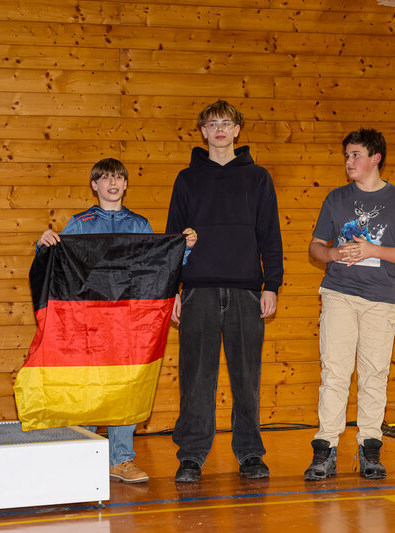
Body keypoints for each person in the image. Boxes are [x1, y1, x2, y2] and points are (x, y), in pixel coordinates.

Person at [37, 157, 197, 484]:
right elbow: (58, 265)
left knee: (126, 386)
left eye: (119, 178)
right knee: (87, 387)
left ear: (125, 184)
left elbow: (155, 267)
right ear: (94, 185)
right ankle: (83, 457)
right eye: (106, 178)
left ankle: (121, 459)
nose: (113, 183)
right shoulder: (80, 224)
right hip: (89, 323)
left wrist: (184, 249)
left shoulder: (140, 225)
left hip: (128, 323)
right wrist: (43, 246)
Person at [166, 100, 284, 482]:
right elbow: (172, 238)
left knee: (247, 381)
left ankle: (250, 453)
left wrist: (271, 285)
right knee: (196, 380)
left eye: (226, 123)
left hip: (246, 293)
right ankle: (191, 456)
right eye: (212, 123)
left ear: (237, 130)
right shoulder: (186, 179)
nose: (219, 129)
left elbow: (270, 235)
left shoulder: (258, 178)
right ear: (203, 131)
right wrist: (171, 290)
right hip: (197, 292)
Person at [303, 128, 395, 481]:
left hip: (380, 301)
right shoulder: (336, 198)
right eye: (346, 156)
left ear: (375, 158)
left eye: (355, 155)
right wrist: (333, 254)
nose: (349, 161)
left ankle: (370, 447)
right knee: (335, 373)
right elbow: (315, 246)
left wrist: (372, 250)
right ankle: (325, 449)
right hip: (338, 294)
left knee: (374, 375)